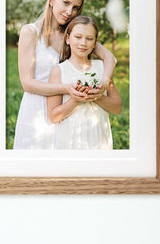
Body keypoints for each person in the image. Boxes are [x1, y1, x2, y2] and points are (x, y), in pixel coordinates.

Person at [13, 0, 116, 149]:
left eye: (76, 7)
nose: (70, 11)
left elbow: (110, 58)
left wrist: (104, 81)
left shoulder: (73, 35)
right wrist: (67, 88)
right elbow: (27, 83)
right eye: (66, 3)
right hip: (36, 111)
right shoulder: (30, 32)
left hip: (65, 110)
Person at [46, 16, 122, 150]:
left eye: (89, 39)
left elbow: (117, 108)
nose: (83, 43)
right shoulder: (59, 71)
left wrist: (98, 97)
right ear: (68, 39)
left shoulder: (102, 69)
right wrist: (75, 100)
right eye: (78, 37)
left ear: (95, 43)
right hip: (70, 141)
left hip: (99, 140)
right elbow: (53, 116)